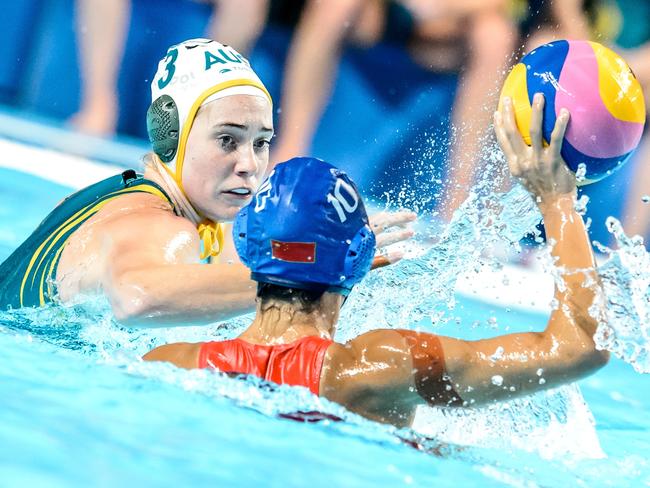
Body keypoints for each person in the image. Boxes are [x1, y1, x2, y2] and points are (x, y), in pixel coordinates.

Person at [144, 96, 609, 428]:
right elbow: (579, 349)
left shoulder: (172, 362)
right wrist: (557, 201)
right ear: (360, 259)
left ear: (245, 246)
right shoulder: (374, 369)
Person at [0, 39, 414, 325]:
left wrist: (314, 250)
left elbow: (229, 255)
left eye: (262, 142)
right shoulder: (159, 226)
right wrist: (306, 275)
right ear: (170, 135)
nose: (249, 164)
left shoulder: (116, 196)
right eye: (227, 140)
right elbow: (138, 296)